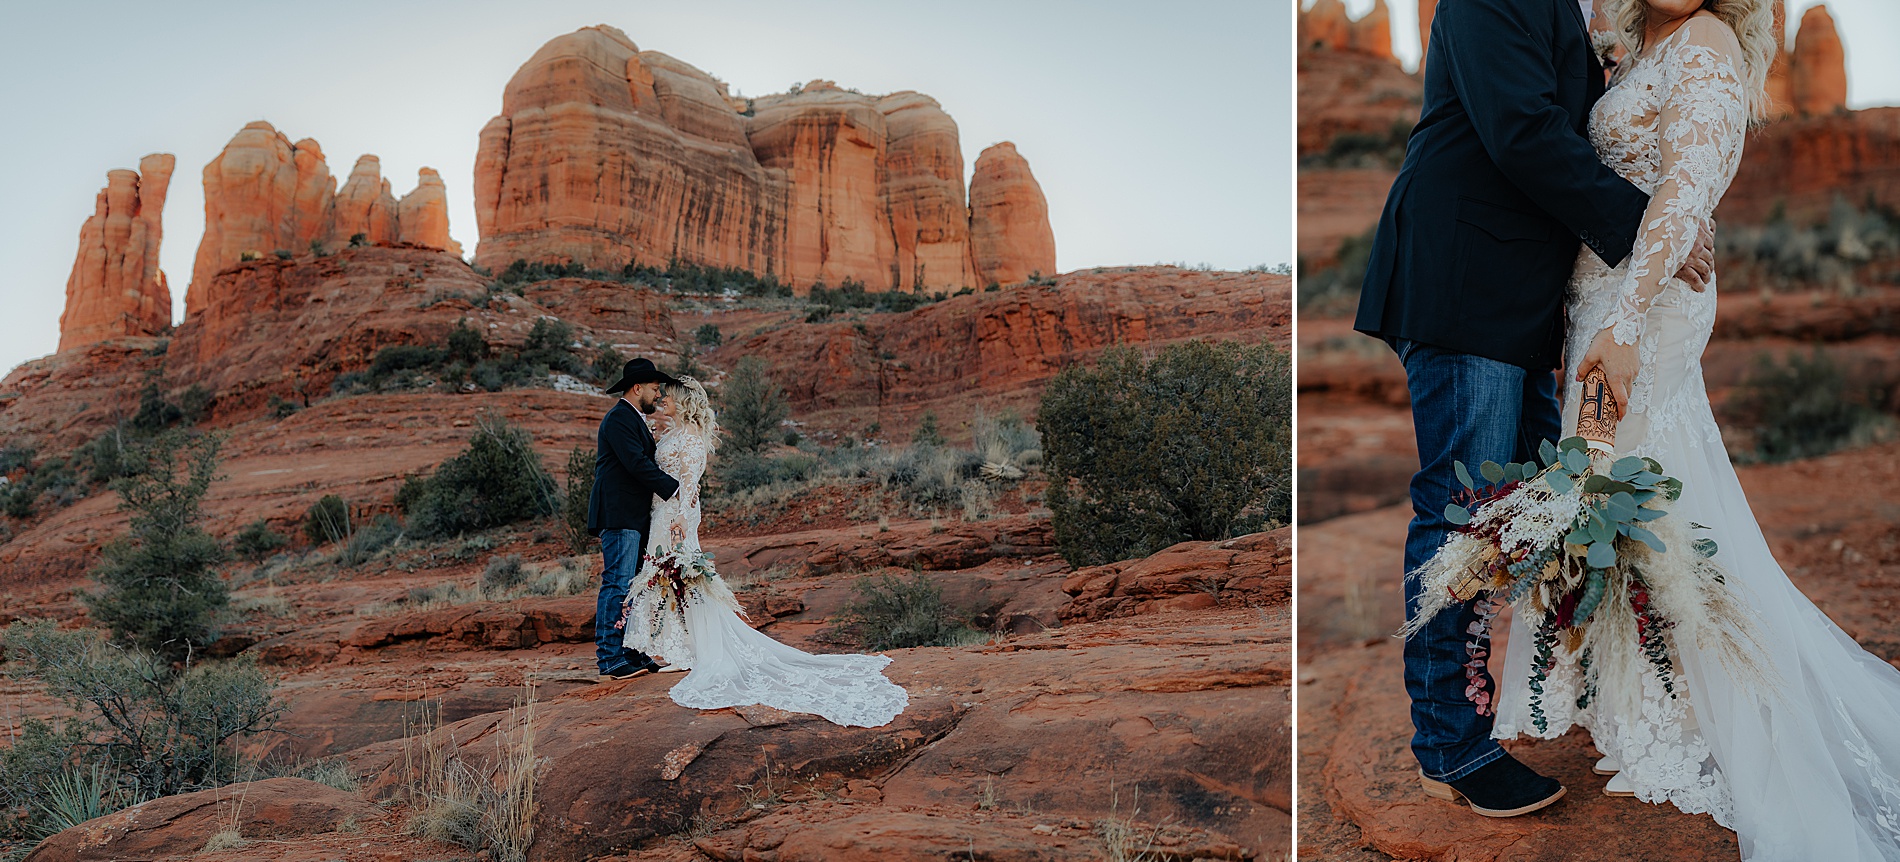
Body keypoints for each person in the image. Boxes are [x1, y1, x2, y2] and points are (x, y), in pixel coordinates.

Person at [1482, 1, 1900, 858]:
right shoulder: (1638, 44)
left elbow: (1684, 189)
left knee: (1619, 486)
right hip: (1599, 301)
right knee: (1611, 486)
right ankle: (1640, 695)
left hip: (1645, 306)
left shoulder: (1704, 42)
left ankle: (1695, 706)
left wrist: (1627, 322)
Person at [1353, 0, 1716, 817]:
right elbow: (1519, 129)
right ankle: (1452, 744)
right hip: (1464, 282)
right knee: (1462, 516)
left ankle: (1520, 707)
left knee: (1520, 515)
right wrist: (1645, 222)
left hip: (1517, 302)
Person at [621, 376, 909, 728]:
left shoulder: (692, 439)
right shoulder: (669, 434)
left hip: (676, 516)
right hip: (661, 513)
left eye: (667, 395)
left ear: (683, 401)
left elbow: (690, 480)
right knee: (672, 578)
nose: (661, 398)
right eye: (659, 393)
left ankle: (700, 650)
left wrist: (682, 515)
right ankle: (683, 647)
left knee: (685, 579)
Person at [587, 357, 682, 681]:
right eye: (655, 389)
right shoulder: (618, 419)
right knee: (617, 584)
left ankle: (628, 650)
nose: (658, 395)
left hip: (634, 516)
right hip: (619, 514)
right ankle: (611, 658)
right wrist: (675, 489)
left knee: (630, 586)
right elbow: (636, 463)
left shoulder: (633, 418)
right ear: (637, 387)